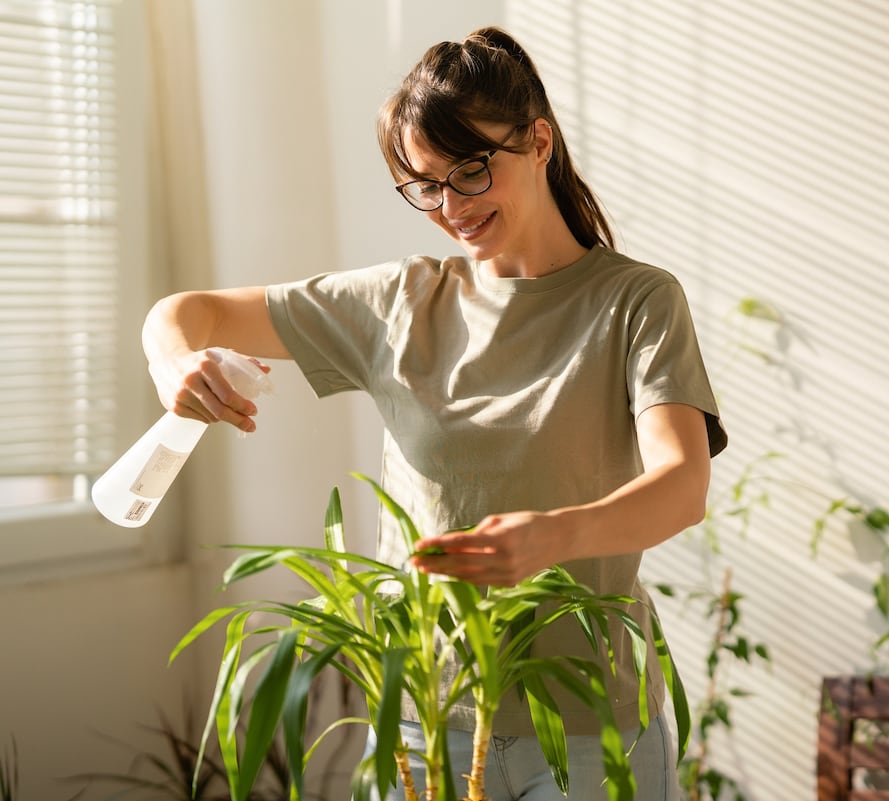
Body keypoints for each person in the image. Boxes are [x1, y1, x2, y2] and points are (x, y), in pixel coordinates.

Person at [141, 26, 726, 801]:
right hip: (428, 713)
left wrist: (552, 535)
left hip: (591, 726)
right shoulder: (399, 303)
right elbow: (189, 311)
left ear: (539, 141)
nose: (451, 206)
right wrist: (176, 364)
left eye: (471, 170)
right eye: (425, 184)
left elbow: (682, 486)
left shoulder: (637, 301)